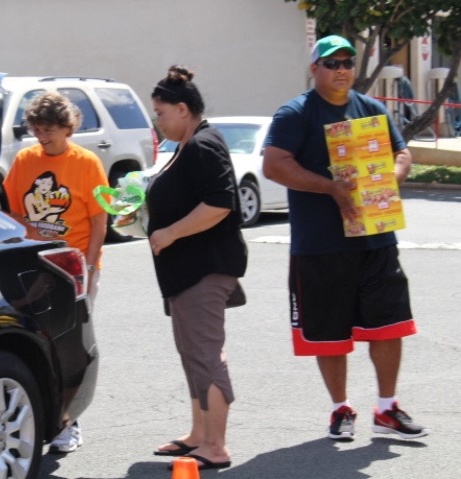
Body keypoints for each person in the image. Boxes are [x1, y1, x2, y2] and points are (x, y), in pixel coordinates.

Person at [262, 35, 429, 441]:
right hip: (321, 245)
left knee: (389, 325)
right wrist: (330, 188)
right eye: (332, 63)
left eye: (347, 62)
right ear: (314, 68)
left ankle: (387, 408)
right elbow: (274, 165)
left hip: (376, 240)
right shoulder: (296, 113)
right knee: (329, 333)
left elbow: (402, 152)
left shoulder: (372, 109)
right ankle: (340, 408)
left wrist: (392, 177)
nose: (341, 69)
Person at [147, 66, 247, 470]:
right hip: (186, 272)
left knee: (205, 354)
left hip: (203, 270)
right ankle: (199, 436)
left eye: (160, 113)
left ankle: (216, 446)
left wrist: (170, 233)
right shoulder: (188, 146)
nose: (157, 121)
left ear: (183, 109)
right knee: (192, 352)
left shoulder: (203, 145)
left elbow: (220, 203)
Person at [3, 91, 108, 453]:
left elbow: (100, 221)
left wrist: (89, 268)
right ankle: (37, 415)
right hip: (34, 264)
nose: (41, 136)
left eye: (48, 129)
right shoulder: (24, 160)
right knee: (36, 340)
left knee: (69, 344)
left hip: (73, 266)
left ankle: (68, 421)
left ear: (67, 127)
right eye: (36, 128)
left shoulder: (87, 163)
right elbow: (14, 212)